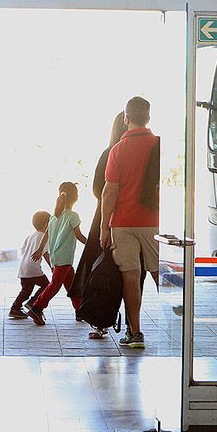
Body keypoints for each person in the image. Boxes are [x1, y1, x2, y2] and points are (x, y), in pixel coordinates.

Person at [100, 96, 160, 349]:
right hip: (154, 221)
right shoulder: (158, 146)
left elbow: (109, 191)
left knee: (130, 277)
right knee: (161, 274)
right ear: (148, 118)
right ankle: (184, 326)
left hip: (123, 222)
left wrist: (105, 227)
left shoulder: (118, 150)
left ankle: (135, 333)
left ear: (126, 119)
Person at [68, 112, 127, 322]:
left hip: (104, 216)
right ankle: (130, 324)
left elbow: (97, 189)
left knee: (101, 270)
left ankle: (99, 318)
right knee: (129, 273)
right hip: (130, 219)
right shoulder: (145, 150)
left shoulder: (108, 152)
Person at [27, 182, 87, 326]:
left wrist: (40, 250)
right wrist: (93, 245)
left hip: (56, 257)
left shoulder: (53, 218)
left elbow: (46, 235)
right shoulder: (73, 216)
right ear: (76, 197)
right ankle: (37, 307)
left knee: (72, 284)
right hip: (64, 258)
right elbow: (79, 236)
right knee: (54, 285)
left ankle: (80, 311)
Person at [11, 211, 52, 320]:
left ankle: (15, 308)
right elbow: (45, 254)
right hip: (33, 269)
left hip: (23, 268)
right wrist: (53, 267)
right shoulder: (43, 237)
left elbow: (23, 251)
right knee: (47, 285)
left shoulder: (30, 236)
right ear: (46, 225)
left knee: (25, 291)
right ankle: (33, 303)